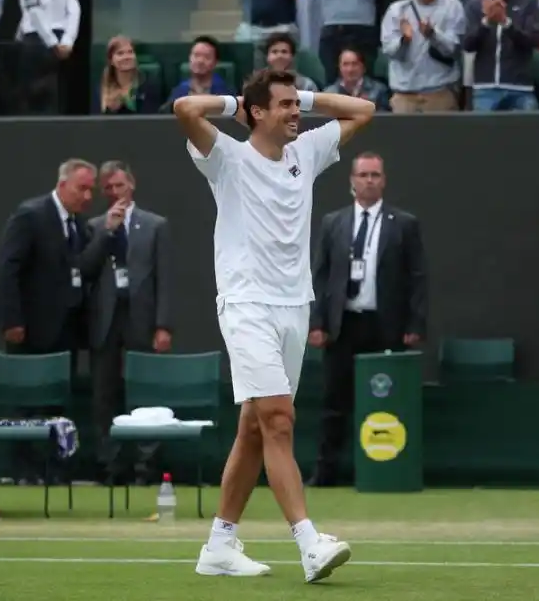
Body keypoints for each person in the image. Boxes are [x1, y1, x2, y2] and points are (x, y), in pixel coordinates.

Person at [174, 70, 375, 582]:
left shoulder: (306, 150)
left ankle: (219, 546)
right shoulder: (227, 158)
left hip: (294, 305)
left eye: (298, 105)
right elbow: (184, 109)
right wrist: (234, 103)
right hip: (245, 304)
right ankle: (309, 542)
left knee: (254, 426)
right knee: (279, 420)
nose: (296, 113)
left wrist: (301, 96)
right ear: (256, 112)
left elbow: (363, 110)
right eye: (284, 105)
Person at [308, 152, 427, 486]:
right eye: (363, 175)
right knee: (334, 401)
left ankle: (384, 468)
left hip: (385, 324)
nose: (369, 181)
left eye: (375, 175)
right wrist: (317, 323)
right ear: (352, 180)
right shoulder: (334, 222)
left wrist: (415, 324)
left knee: (385, 397)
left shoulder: (403, 223)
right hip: (343, 324)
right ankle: (325, 471)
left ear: (383, 180)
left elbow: (417, 277)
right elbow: (320, 275)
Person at [87, 160, 173, 485]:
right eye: (107, 188)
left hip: (142, 318)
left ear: (131, 185)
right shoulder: (95, 226)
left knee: (146, 393)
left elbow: (165, 278)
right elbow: (87, 268)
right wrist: (107, 231)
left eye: (119, 186)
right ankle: (111, 466)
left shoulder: (155, 225)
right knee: (104, 394)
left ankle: (147, 467)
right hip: (106, 319)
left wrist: (163, 325)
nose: (114, 193)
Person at [0, 159, 117, 359]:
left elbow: (83, 268)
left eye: (91, 190)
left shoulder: (80, 225)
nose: (87, 196)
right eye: (82, 188)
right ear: (62, 184)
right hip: (33, 329)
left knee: (63, 387)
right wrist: (11, 320)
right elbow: (8, 268)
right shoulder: (31, 215)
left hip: (68, 330)